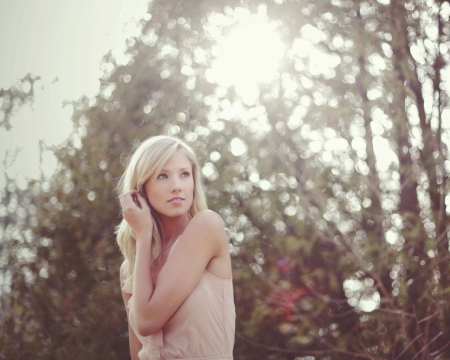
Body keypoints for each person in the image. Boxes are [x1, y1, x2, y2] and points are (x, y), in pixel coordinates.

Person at [116, 135, 235, 360]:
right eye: (162, 176)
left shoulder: (206, 227)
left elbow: (147, 322)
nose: (177, 187)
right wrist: (144, 242)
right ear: (140, 189)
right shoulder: (131, 268)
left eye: (184, 174)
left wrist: (143, 235)